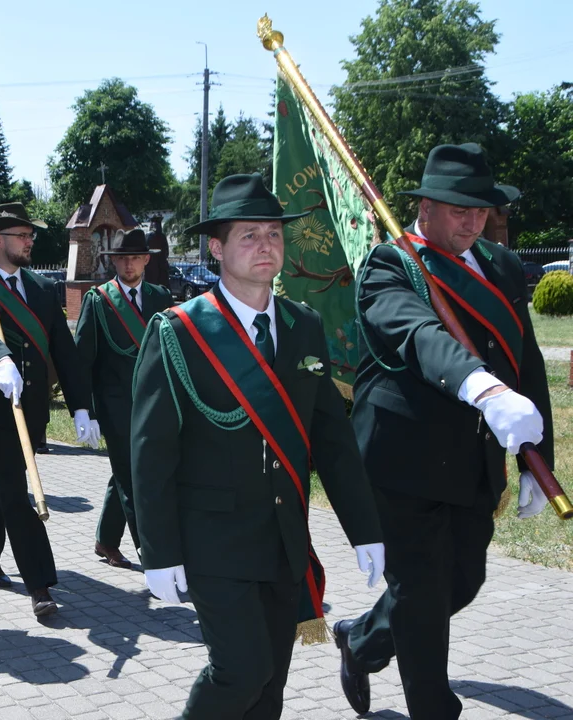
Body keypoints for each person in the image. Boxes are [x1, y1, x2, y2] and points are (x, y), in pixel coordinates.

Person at [131, 174, 385, 720]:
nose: (265, 244)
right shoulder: (178, 331)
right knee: (241, 671)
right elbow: (152, 452)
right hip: (213, 542)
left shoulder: (303, 326)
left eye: (273, 233)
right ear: (217, 248)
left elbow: (332, 441)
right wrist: (159, 550)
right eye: (249, 234)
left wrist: (365, 529)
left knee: (270, 686)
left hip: (283, 538)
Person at [333, 143, 554, 720]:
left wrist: (539, 458)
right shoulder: (390, 264)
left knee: (463, 579)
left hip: (472, 458)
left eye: (482, 209)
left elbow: (526, 365)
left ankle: (362, 641)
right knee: (425, 594)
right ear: (424, 206)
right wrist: (482, 387)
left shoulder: (501, 266)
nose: (473, 220)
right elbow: (419, 334)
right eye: (459, 208)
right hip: (401, 458)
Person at [0, 202, 96, 617]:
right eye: (22, 235)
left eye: (31, 235)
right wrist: (0, 359)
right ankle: (39, 584)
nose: (30, 241)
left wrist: (81, 406)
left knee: (7, 479)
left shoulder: (41, 288)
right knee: (18, 486)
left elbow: (63, 351)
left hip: (30, 406)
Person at [74, 227, 174, 569]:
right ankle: (153, 554)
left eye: (134, 257)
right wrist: (85, 409)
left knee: (125, 472)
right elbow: (82, 360)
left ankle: (106, 539)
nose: (128, 265)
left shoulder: (161, 297)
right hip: (114, 407)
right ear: (112, 262)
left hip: (153, 404)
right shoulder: (98, 300)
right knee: (134, 476)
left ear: (146, 259)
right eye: (121, 259)